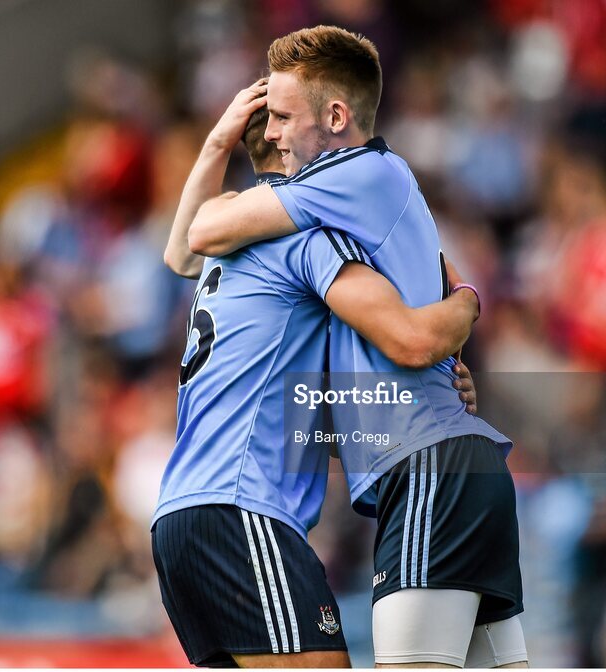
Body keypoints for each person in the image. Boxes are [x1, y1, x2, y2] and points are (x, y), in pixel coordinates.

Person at [186, 26, 527, 668]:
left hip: (428, 466)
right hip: (458, 462)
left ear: (337, 117)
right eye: (274, 122)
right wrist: (463, 312)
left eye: (285, 116)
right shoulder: (373, 200)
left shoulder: (353, 176)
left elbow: (198, 233)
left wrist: (467, 306)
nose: (279, 134)